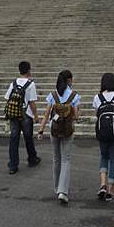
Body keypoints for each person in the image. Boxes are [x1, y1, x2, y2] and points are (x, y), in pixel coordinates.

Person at [37, 69, 81, 205]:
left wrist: (41, 130)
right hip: (68, 131)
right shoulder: (74, 96)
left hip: (54, 130)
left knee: (56, 158)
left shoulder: (53, 95)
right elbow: (76, 116)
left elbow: (46, 114)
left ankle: (57, 188)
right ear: (69, 80)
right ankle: (63, 191)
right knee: (66, 159)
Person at [92, 72, 114, 202]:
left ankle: (102, 184)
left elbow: (97, 114)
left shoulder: (97, 97)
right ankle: (111, 189)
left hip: (102, 133)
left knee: (103, 156)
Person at [4, 61, 40, 174]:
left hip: (14, 115)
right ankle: (32, 159)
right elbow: (32, 103)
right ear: (29, 70)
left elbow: (7, 98)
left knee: (14, 139)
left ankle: (13, 165)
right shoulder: (30, 84)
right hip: (26, 115)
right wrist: (36, 116)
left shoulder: (14, 83)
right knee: (28, 138)